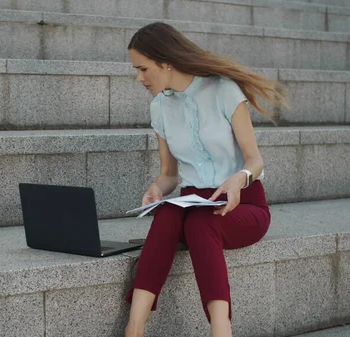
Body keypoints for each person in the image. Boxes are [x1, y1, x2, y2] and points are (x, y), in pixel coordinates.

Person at [124, 22, 290, 337]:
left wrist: (238, 179)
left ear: (166, 62)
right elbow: (170, 174)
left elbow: (255, 161)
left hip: (244, 204)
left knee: (201, 223)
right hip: (192, 202)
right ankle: (135, 327)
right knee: (169, 211)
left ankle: (220, 330)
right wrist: (157, 188)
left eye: (143, 69)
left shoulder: (223, 90)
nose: (139, 78)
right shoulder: (159, 107)